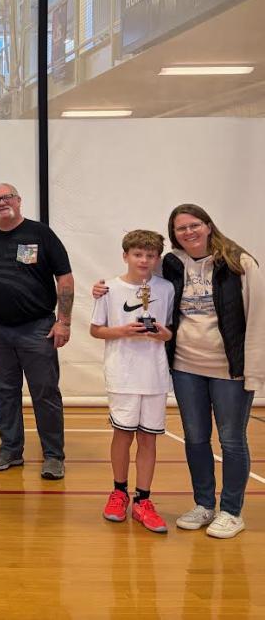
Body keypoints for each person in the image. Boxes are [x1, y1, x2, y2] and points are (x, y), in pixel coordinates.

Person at [95, 205, 264, 538]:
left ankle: (231, 511)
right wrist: (102, 289)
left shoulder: (240, 263)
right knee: (196, 439)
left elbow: (258, 318)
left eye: (194, 225)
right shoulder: (172, 265)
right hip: (186, 367)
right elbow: (138, 285)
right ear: (175, 235)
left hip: (228, 369)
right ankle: (204, 504)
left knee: (231, 440)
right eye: (181, 228)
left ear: (208, 225)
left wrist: (254, 370)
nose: (189, 232)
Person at [0, 183, 74, 480]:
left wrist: (63, 321)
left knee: (45, 393)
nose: (2, 202)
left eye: (7, 197)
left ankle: (53, 455)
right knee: (4, 392)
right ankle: (11, 450)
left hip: (37, 328)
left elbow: (64, 278)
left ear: (18, 200)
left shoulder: (40, 234)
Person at [90, 230, 174, 533]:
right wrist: (124, 331)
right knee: (123, 436)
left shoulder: (165, 288)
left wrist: (162, 334)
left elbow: (170, 332)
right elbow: (96, 330)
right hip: (122, 374)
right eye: (138, 254)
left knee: (148, 438)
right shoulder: (108, 289)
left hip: (154, 374)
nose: (144, 260)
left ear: (157, 259)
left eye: (150, 255)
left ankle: (144, 500)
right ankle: (119, 492)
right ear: (126, 255)